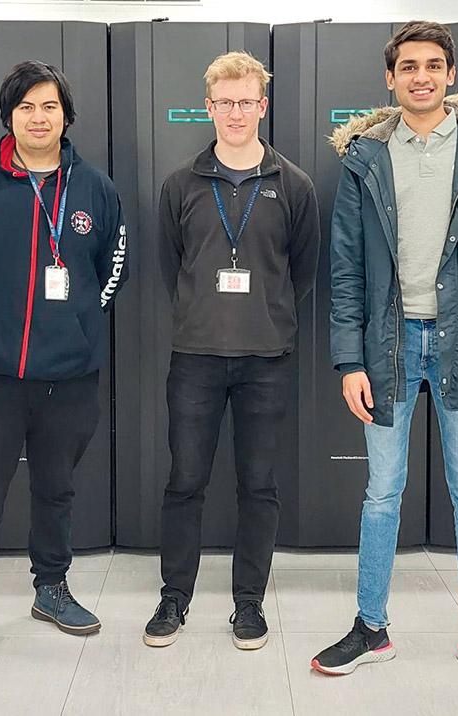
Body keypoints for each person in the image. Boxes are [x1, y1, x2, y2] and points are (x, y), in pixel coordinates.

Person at [312, 21, 458, 690]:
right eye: (408, 65)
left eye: (433, 65)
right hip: (388, 345)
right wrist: (349, 360)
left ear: (449, 73)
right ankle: (371, 626)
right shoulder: (364, 157)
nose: (421, 76)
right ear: (390, 77)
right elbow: (346, 269)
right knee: (383, 491)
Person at [0, 61, 129, 667]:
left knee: (57, 488)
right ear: (8, 117)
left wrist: (74, 324)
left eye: (49, 106)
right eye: (26, 108)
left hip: (69, 375)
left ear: (66, 116)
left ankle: (51, 587)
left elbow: (111, 269)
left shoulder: (95, 188)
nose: (39, 117)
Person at [143, 51, 320, 651]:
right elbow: (172, 268)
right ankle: (174, 599)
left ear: (262, 106)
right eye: (225, 102)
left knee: (259, 485)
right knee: (185, 480)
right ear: (209, 107)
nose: (236, 112)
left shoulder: (293, 185)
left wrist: (263, 316)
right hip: (195, 357)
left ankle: (248, 605)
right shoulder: (181, 184)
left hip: (266, 359)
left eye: (247, 101)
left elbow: (302, 270)